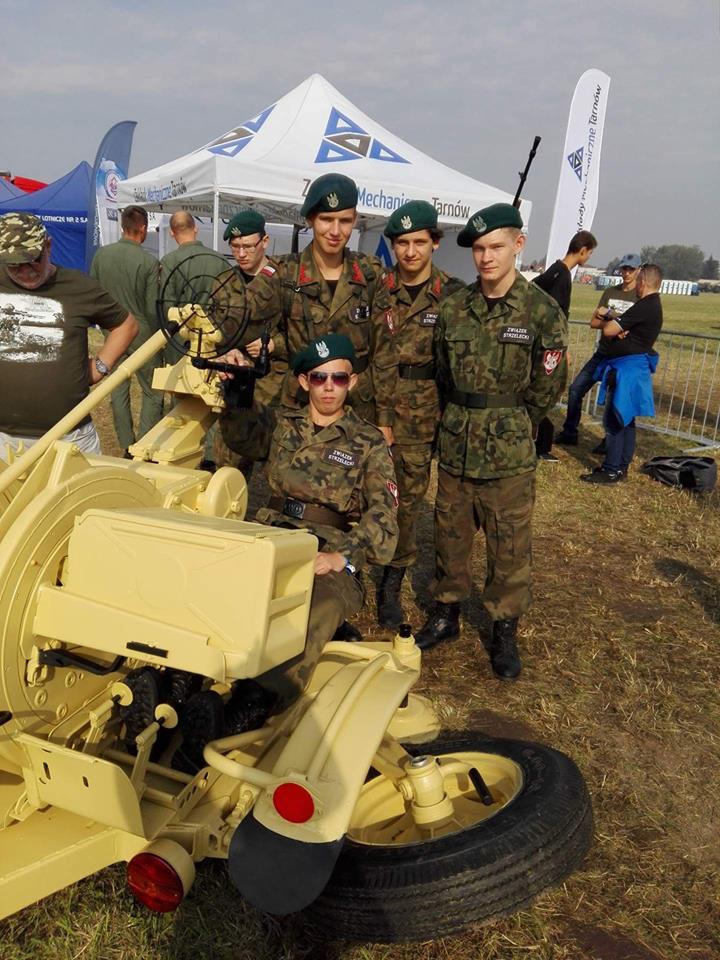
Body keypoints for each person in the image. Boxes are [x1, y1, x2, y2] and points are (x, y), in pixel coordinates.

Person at [415, 203, 568, 680]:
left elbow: (549, 383)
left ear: (518, 245)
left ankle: (504, 629)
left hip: (508, 452)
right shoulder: (454, 308)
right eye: (479, 249)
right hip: (457, 444)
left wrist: (514, 422)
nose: (486, 257)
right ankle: (446, 614)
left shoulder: (541, 311)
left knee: (509, 543)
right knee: (450, 535)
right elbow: (443, 374)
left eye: (496, 247)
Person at [219, 333, 399, 704]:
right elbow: (242, 438)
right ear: (304, 381)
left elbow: (383, 515)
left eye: (339, 378)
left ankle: (258, 701)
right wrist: (237, 396)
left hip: (326, 548)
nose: (329, 387)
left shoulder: (368, 441)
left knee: (313, 610)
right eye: (319, 377)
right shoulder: (281, 423)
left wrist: (342, 557)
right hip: (270, 535)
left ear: (353, 382)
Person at [371, 200, 465, 628]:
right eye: (402, 243)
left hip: (424, 413)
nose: (410, 252)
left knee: (407, 501)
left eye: (419, 242)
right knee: (359, 491)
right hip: (374, 404)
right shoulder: (376, 289)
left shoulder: (454, 295)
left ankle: (391, 581)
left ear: (435, 243)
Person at [245, 173, 383, 421]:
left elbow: (384, 351)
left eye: (344, 221)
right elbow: (240, 312)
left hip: (356, 408)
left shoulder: (370, 273)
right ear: (310, 219)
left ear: (355, 220)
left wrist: (384, 418)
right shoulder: (285, 272)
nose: (335, 231)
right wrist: (227, 348)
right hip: (300, 406)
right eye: (326, 219)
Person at [0, 212, 138, 455]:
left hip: (70, 438)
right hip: (4, 440)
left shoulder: (78, 286)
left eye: (33, 260)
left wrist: (99, 368)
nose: (25, 271)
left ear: (48, 246)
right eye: (14, 265)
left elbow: (126, 325)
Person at [211, 210, 286, 475]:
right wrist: (227, 348)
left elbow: (303, 332)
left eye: (248, 246)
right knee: (229, 459)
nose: (241, 254)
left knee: (279, 460)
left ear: (265, 241)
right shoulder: (224, 283)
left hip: (276, 385)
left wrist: (275, 344)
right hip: (237, 382)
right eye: (235, 246)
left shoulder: (284, 281)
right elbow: (213, 329)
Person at [580, 263, 663, 484]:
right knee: (627, 418)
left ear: (642, 282)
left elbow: (608, 330)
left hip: (626, 369)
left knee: (615, 418)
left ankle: (611, 469)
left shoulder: (645, 305)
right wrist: (617, 322)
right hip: (632, 367)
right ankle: (621, 466)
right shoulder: (652, 305)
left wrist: (607, 317)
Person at [90, 205, 162, 456]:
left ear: (123, 226)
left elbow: (94, 294)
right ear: (142, 228)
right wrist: (158, 336)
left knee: (118, 389)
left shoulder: (102, 255)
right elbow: (152, 307)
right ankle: (145, 445)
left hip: (113, 330)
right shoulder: (149, 261)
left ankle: (126, 444)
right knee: (152, 391)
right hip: (142, 331)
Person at [555, 252, 641, 448]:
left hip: (623, 357)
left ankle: (609, 441)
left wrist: (610, 317)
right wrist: (616, 326)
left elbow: (636, 327)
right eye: (624, 268)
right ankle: (570, 432)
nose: (626, 273)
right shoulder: (610, 292)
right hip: (603, 353)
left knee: (615, 400)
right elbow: (594, 321)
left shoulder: (639, 296)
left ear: (638, 271)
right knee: (576, 389)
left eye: (631, 269)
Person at [532, 230, 597, 461]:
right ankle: (539, 444)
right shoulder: (562, 276)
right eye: (590, 253)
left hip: (538, 341)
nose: (589, 257)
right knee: (545, 391)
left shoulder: (553, 271)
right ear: (583, 250)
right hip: (547, 346)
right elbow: (558, 316)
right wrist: (563, 349)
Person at [159, 211, 228, 364]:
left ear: (171, 233)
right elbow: (228, 302)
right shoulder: (220, 260)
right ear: (196, 228)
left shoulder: (169, 261)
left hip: (180, 341)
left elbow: (167, 306)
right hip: (212, 339)